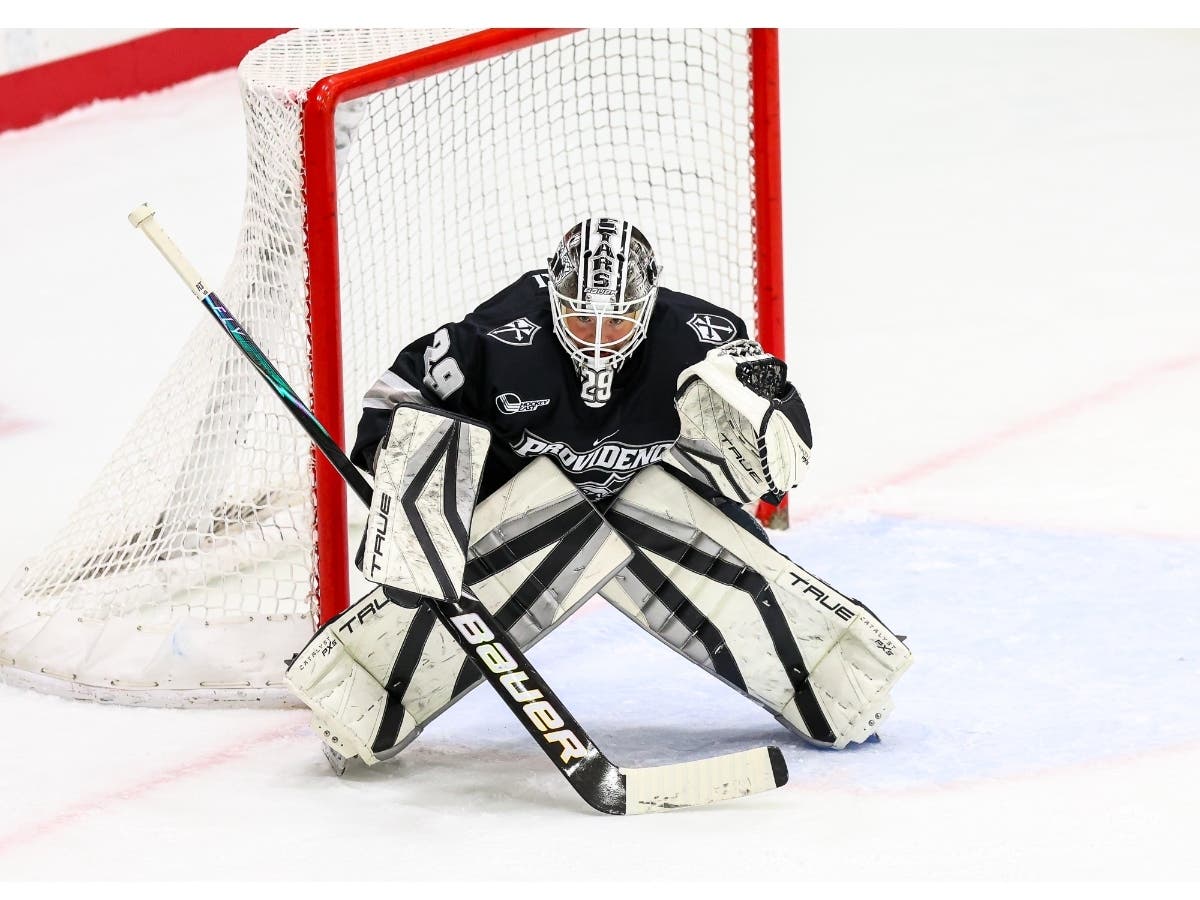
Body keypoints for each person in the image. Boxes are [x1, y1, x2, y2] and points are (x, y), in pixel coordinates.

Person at [287, 217, 911, 768]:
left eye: (616, 320)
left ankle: (824, 673)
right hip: (518, 516)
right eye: (582, 316)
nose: (597, 336)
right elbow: (388, 407)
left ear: (649, 305)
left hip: (647, 508)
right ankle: (365, 683)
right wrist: (419, 494)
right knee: (474, 483)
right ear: (554, 298)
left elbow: (774, 464)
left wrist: (771, 421)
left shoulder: (702, 339)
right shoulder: (496, 338)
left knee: (668, 504)